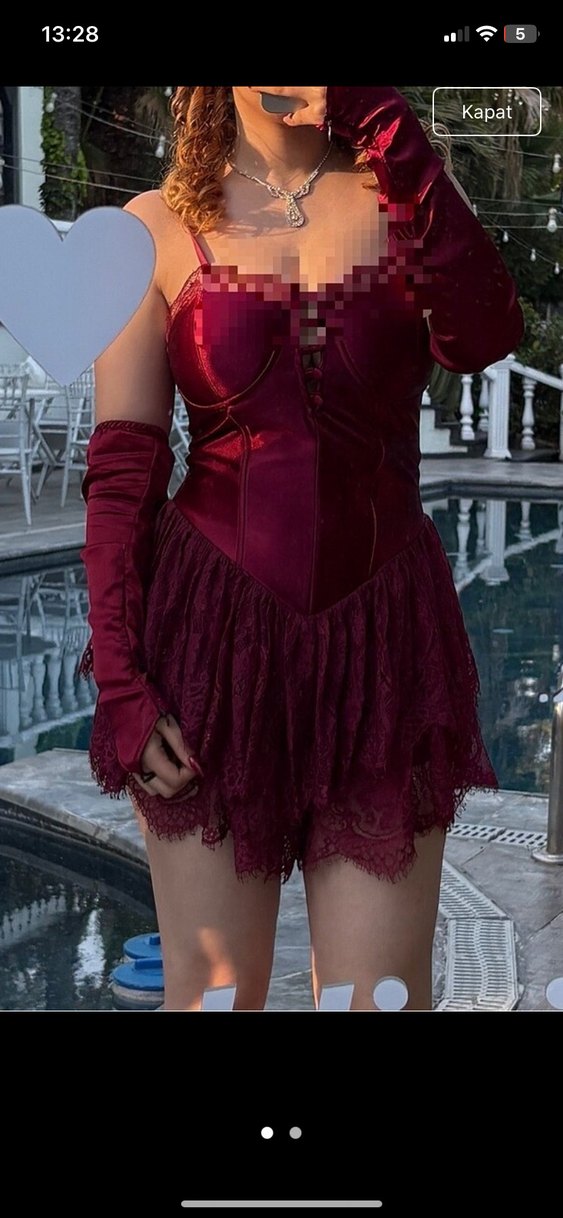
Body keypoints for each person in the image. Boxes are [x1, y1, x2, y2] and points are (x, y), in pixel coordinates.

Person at [78, 86, 524, 1011]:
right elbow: (123, 475)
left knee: (380, 997)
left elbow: (484, 336)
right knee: (210, 998)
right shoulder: (151, 228)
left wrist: (384, 123)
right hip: (209, 648)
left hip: (383, 645)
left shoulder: (410, 197)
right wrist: (121, 683)